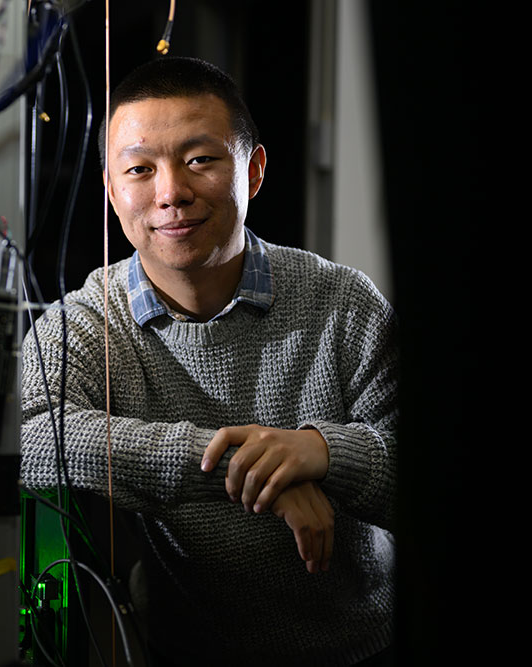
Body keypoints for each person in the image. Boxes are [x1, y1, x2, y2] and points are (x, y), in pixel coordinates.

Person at [20, 57, 396, 665]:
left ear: (254, 169)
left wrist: (320, 453)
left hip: (362, 645)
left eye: (200, 160)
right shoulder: (87, 321)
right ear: (113, 192)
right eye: (140, 169)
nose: (172, 193)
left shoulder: (342, 302)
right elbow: (35, 436)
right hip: (185, 649)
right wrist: (248, 471)